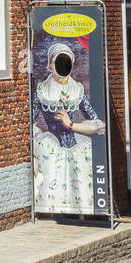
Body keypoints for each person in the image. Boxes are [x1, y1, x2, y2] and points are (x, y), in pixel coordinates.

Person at [33, 41, 105, 215]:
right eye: (57, 62)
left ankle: (83, 213)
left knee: (80, 178)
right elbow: (29, 124)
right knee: (53, 175)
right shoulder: (42, 91)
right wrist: (34, 154)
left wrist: (71, 125)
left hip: (77, 145)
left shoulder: (77, 90)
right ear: (50, 64)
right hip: (50, 145)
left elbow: (97, 124)